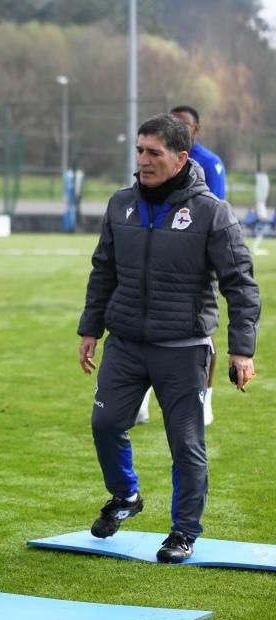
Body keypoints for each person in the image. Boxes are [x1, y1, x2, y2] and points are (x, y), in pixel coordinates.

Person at [78, 113, 259, 564]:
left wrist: (242, 349)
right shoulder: (120, 204)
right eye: (139, 151)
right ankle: (126, 496)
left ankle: (183, 532)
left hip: (183, 348)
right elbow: (104, 270)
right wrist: (90, 329)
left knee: (185, 443)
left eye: (153, 153)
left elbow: (240, 283)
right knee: (105, 425)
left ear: (180, 158)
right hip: (124, 343)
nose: (143, 161)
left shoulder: (211, 212)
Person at [135, 104, 228, 427]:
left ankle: (205, 399)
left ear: (195, 130)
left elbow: (212, 213)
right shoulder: (155, 158)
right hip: (155, 257)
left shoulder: (210, 164)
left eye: (183, 124)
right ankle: (139, 404)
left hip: (194, 263)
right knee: (143, 330)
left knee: (201, 334)